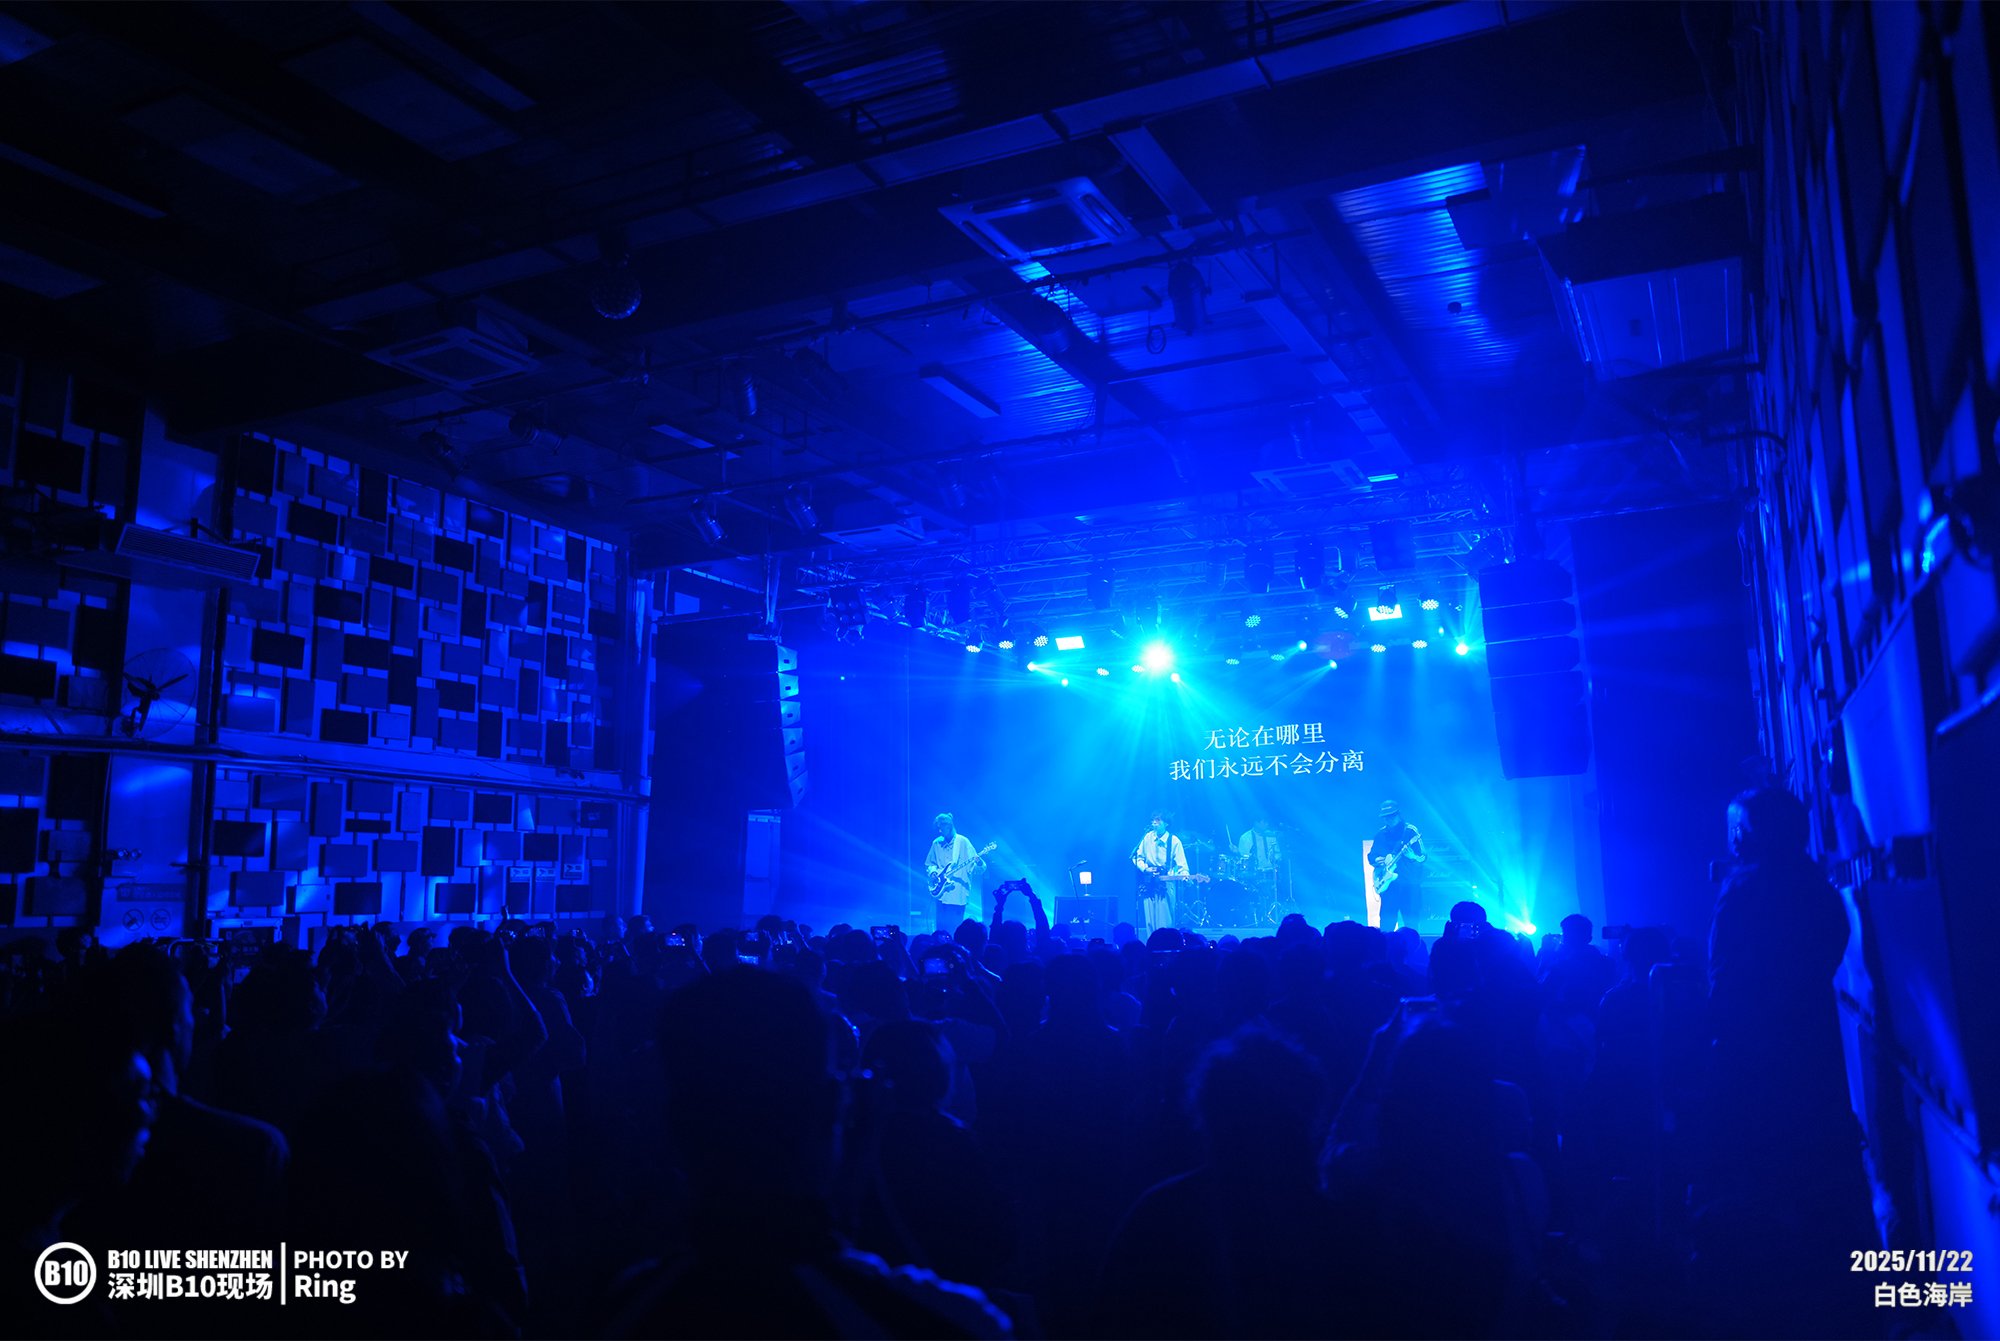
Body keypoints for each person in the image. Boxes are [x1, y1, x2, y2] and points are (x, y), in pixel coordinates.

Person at [925, 813, 988, 934]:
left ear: (949, 826)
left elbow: (975, 868)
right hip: (940, 893)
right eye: (938, 828)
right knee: (941, 929)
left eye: (941, 828)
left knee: (955, 929)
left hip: (957, 894)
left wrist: (979, 863)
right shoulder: (936, 843)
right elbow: (930, 864)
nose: (939, 831)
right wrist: (933, 872)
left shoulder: (963, 842)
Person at [1367, 801, 1426, 931]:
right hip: (1389, 887)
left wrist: (1412, 856)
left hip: (1409, 885)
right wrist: (1377, 859)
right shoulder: (1380, 834)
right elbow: (1371, 856)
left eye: (1391, 815)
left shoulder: (1410, 831)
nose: (1389, 819)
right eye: (1385, 817)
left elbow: (1423, 857)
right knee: (1387, 925)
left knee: (1411, 925)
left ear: (1398, 814)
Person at [1131, 812, 1187, 938]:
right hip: (1149, 883)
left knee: (1165, 920)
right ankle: (1151, 944)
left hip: (1165, 884)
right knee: (1150, 921)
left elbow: (1182, 864)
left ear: (1166, 823)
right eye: (1153, 820)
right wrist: (1145, 868)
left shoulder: (1174, 841)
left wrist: (1185, 875)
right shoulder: (1147, 838)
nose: (1154, 823)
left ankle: (1167, 944)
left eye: (1158, 820)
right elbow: (1137, 857)